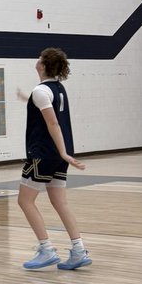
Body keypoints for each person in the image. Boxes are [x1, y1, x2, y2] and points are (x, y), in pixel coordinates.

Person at [16, 48, 91, 271]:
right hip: (58, 155)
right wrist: (25, 99)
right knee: (60, 202)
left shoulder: (40, 91)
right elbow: (47, 114)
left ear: (44, 65)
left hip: (44, 154)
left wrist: (63, 152)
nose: (37, 59)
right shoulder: (57, 89)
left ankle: (46, 249)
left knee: (24, 201)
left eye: (40, 58)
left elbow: (53, 124)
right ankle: (78, 250)